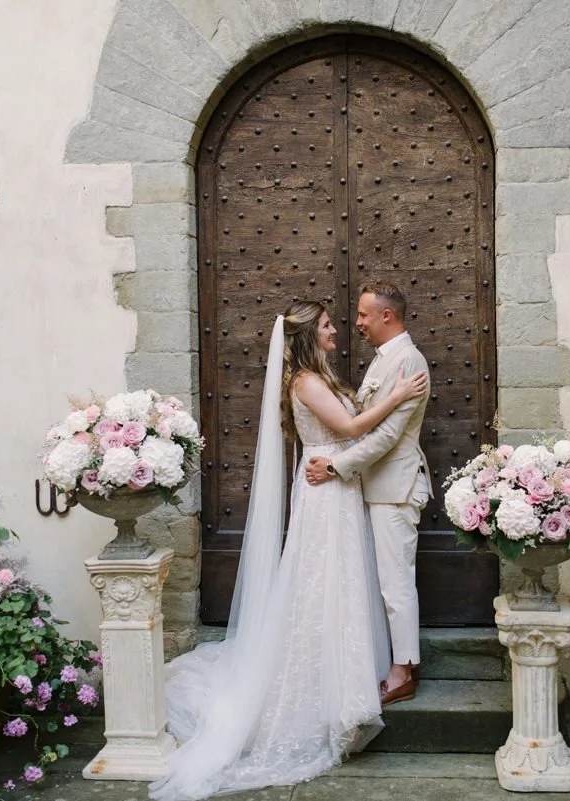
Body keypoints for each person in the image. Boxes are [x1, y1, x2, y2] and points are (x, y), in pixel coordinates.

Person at [149, 300, 428, 801]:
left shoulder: (316, 377)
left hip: (336, 486)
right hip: (326, 489)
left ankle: (343, 670)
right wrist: (399, 395)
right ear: (305, 337)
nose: (336, 328)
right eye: (325, 324)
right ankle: (320, 680)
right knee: (320, 579)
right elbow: (347, 430)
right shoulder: (305, 381)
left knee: (336, 580)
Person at [305, 282, 431, 706]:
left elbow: (390, 435)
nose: (356, 323)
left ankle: (403, 672)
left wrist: (336, 466)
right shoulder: (385, 360)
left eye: (363, 315)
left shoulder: (408, 360)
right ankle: (396, 660)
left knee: (396, 584)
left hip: (395, 488)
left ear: (386, 316)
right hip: (375, 486)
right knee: (384, 581)